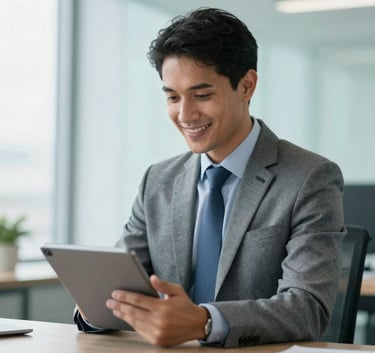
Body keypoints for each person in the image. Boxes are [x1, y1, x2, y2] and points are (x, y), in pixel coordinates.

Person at [74, 7, 345, 348]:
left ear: (247, 86)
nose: (185, 115)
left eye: (202, 95)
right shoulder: (157, 181)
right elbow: (118, 289)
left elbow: (308, 309)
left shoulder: (309, 178)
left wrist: (204, 323)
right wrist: (95, 307)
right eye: (172, 97)